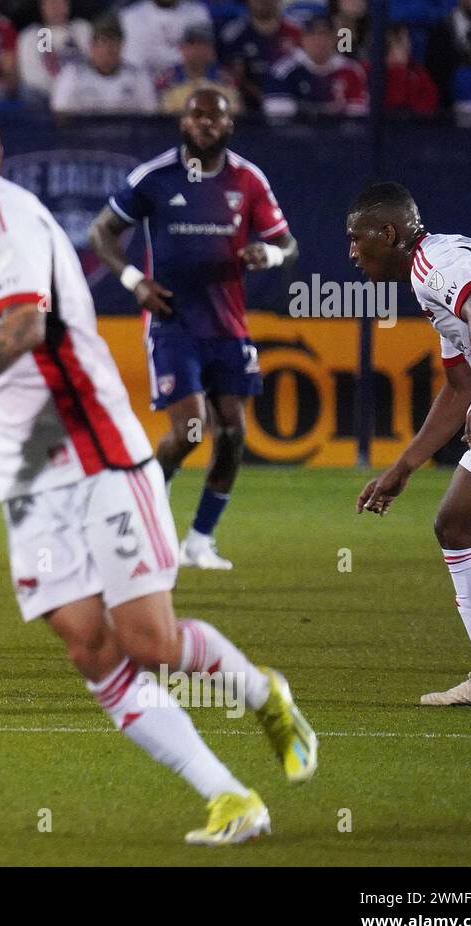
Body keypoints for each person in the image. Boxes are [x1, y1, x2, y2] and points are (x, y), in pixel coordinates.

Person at [0, 92, 317, 845]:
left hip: (98, 457)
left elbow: (26, 324)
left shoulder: (4, 223)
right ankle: (229, 797)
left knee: (148, 640)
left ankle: (261, 691)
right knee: (91, 646)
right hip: (31, 479)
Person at [88, 89, 298, 569]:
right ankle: (139, 515)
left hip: (228, 326)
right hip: (172, 323)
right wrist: (133, 280)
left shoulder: (248, 180)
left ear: (229, 125)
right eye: (196, 115)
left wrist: (270, 254)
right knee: (189, 430)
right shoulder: (155, 177)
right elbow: (102, 231)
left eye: (215, 117)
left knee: (233, 435)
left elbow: (288, 244)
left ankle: (199, 541)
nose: (205, 123)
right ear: (183, 123)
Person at [352, 181, 471, 707]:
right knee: (456, 524)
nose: (351, 251)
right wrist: (404, 467)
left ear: (387, 233)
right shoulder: (429, 276)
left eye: (356, 237)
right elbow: (458, 387)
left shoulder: (436, 264)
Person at [50, 14, 155, 118]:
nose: (108, 49)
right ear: (92, 46)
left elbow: (150, 119)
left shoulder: (138, 78)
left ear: (122, 45)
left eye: (114, 41)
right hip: (84, 133)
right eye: (103, 41)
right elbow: (60, 118)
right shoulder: (73, 75)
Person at [263, 15, 367, 120]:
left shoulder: (351, 70)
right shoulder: (283, 70)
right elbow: (276, 112)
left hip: (340, 134)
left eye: (326, 34)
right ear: (302, 38)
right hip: (295, 133)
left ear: (335, 38)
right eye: (312, 34)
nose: (319, 40)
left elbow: (358, 114)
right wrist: (325, 110)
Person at [217, 0, 301, 114]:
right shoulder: (233, 35)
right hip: (248, 112)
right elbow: (230, 76)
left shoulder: (297, 31)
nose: (263, 2)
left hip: (294, 107)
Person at [15, 0, 91, 104]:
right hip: (47, 95)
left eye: (60, 3)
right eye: (51, 3)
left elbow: (94, 62)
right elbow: (33, 77)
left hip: (84, 90)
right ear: (42, 7)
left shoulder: (81, 29)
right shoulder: (33, 35)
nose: (56, 7)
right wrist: (63, 91)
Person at [158, 22, 242, 116]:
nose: (197, 49)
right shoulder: (167, 79)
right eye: (192, 44)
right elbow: (162, 117)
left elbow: (233, 116)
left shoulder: (226, 80)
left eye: (203, 44)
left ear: (212, 50)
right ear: (181, 48)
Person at [118, 0, 210, 79]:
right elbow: (133, 64)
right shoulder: (129, 17)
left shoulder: (197, 12)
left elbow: (202, 58)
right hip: (143, 87)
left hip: (185, 85)